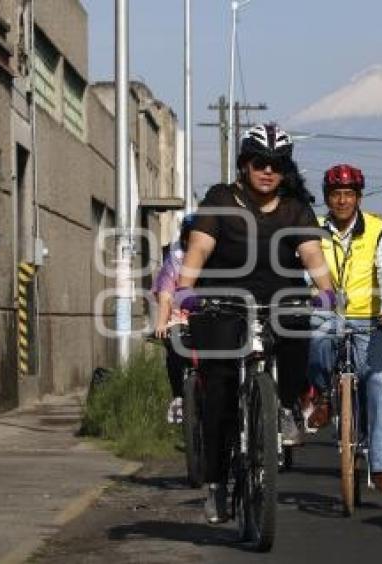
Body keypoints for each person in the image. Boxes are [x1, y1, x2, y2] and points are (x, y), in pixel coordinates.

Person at [176, 123, 333, 524]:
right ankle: (215, 485)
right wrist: (184, 290)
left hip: (281, 300)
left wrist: (328, 291)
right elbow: (200, 246)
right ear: (245, 164)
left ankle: (287, 406)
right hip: (224, 302)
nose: (268, 171)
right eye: (260, 163)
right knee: (220, 389)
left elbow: (313, 256)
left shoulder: (295, 207)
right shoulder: (221, 199)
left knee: (299, 329)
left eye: (277, 165)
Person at [306, 163, 382, 492]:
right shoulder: (313, 230)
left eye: (349, 194)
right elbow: (302, 269)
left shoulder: (380, 230)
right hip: (327, 314)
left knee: (380, 384)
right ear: (327, 198)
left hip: (370, 319)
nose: (342, 201)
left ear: (359, 197)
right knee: (317, 338)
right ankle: (322, 397)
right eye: (336, 194)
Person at [152, 214, 195, 424]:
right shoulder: (176, 258)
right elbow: (166, 294)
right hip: (181, 315)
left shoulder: (218, 255)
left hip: (212, 312)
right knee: (175, 345)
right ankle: (178, 397)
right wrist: (161, 322)